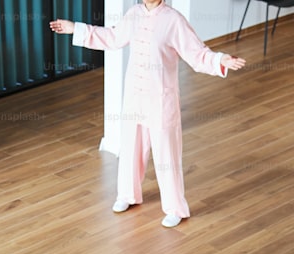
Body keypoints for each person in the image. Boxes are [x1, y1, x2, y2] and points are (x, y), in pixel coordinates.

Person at [49, 1, 245, 228]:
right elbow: (112, 37)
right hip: (135, 94)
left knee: (166, 154)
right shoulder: (133, 14)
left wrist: (220, 59)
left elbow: (196, 52)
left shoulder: (173, 20)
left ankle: (175, 208)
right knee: (131, 146)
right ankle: (128, 195)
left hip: (161, 97)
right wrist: (77, 28)